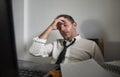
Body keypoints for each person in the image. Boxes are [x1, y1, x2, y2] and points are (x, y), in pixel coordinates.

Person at [29, 14, 104, 64]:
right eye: (59, 27)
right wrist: (50, 28)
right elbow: (34, 51)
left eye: (65, 25)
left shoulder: (90, 45)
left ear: (74, 25)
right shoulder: (56, 44)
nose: (62, 29)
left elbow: (100, 68)